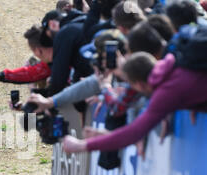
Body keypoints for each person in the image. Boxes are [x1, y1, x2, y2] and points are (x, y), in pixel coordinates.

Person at [62, 52, 207, 154]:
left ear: (138, 83)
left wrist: (83, 146)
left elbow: (134, 133)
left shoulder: (165, 91)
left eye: (132, 86)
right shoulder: (174, 63)